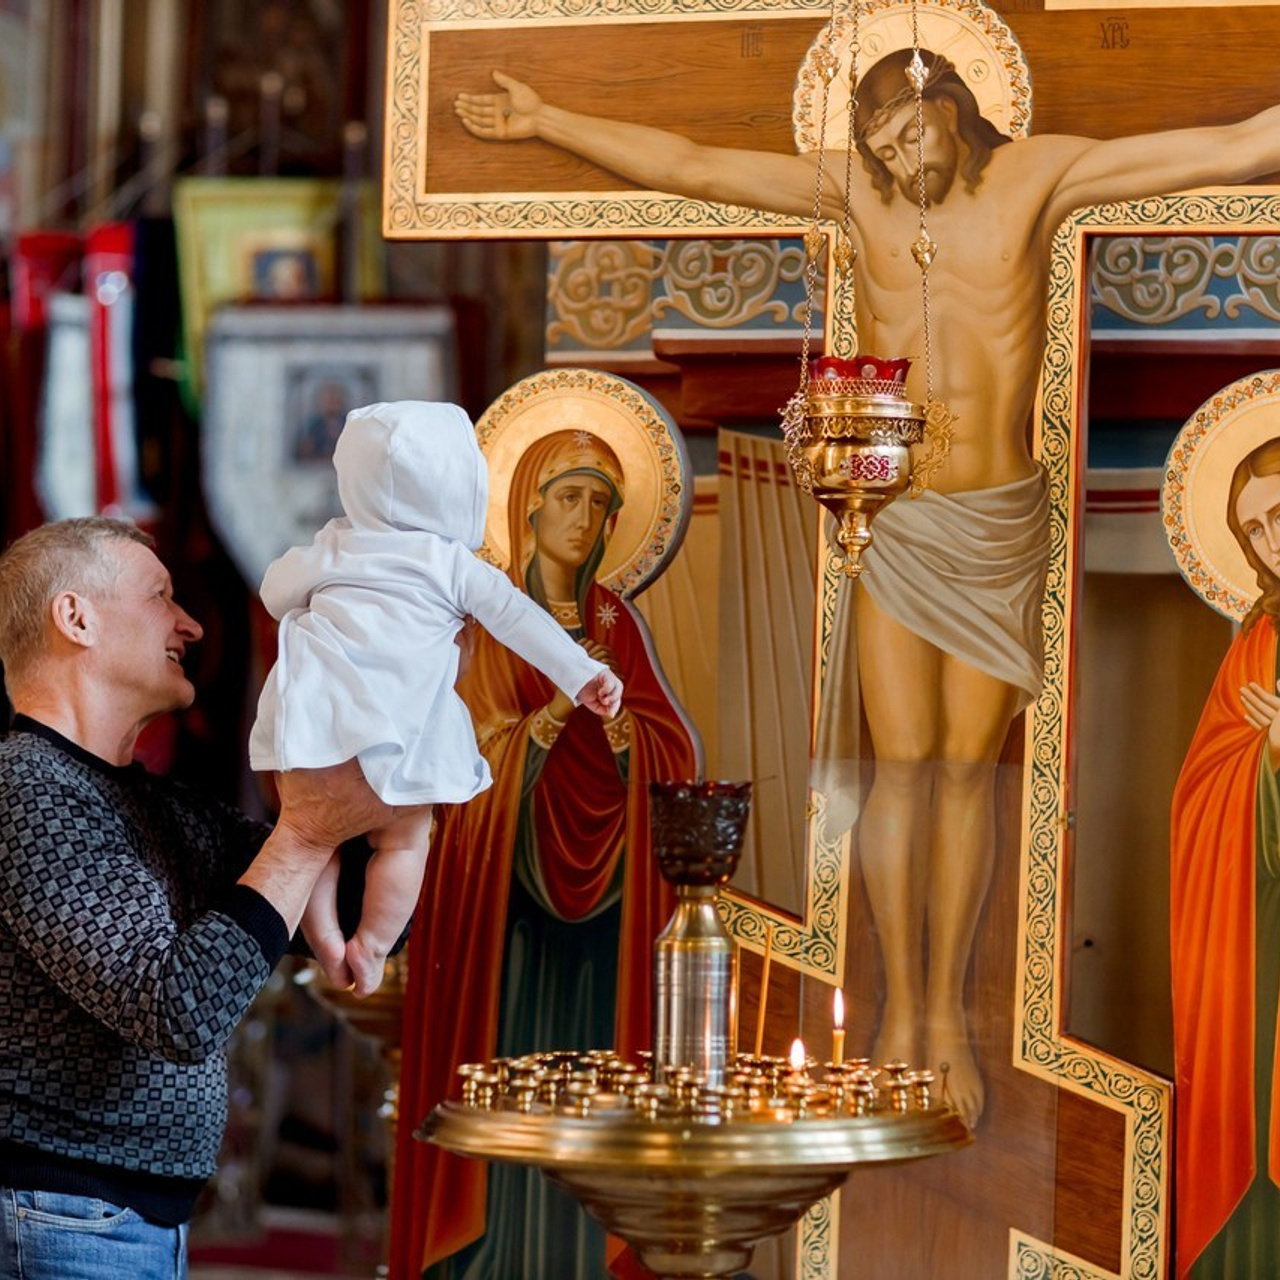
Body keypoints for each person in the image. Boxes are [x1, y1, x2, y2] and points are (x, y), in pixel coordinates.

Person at [454, 49, 1280, 1126]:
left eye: (909, 135)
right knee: (899, 762)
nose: (897, 159)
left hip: (997, 520)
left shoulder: (1035, 179)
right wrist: (545, 116)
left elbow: (1222, 150)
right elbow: (696, 163)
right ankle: (900, 1014)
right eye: (881, 146)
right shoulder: (854, 196)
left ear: (954, 110)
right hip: (894, 519)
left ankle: (949, 1018)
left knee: (960, 766)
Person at [0, 515, 400, 1279]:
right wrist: (308, 833)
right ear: (75, 617)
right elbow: (176, 1010)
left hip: (123, 1223)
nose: (189, 624)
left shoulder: (161, 810)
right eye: (160, 596)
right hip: (61, 1218)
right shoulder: (26, 790)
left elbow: (338, 910)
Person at [389, 428, 701, 1279]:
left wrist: (629, 733)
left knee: (597, 1089)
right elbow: (458, 758)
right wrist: (553, 722)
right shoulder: (488, 617)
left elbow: (673, 749)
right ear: (527, 505)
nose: (586, 517)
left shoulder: (616, 622)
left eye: (602, 502)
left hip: (608, 909)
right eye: (569, 495)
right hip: (503, 905)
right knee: (505, 1078)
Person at [249, 401, 623, 997]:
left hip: (316, 731)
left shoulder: (335, 546)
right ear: (458, 486)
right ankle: (370, 945)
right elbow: (519, 620)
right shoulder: (452, 564)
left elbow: (273, 593)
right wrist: (580, 674)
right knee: (404, 839)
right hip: (404, 741)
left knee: (315, 841)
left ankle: (322, 939)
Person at [1171, 435, 1280, 1278]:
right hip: (1258, 938)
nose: (1268, 544)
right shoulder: (1257, 638)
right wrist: (1265, 762)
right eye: (1252, 532)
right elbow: (1200, 795)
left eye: (1278, 516)